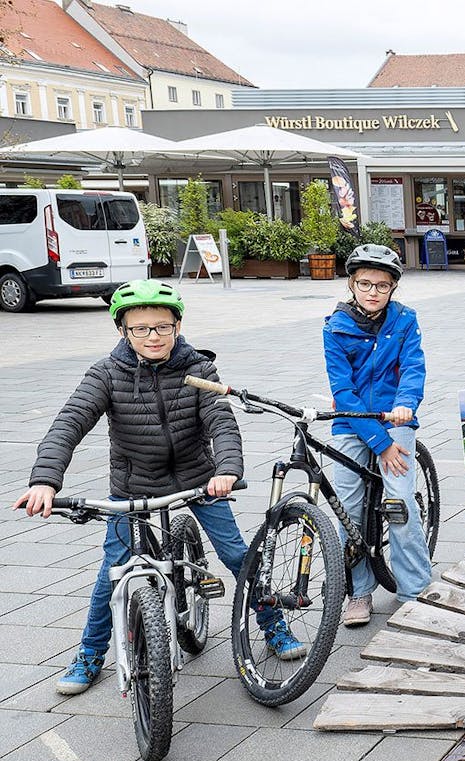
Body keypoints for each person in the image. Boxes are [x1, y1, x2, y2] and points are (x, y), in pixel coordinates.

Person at [14, 280, 305, 695]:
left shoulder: (199, 369)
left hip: (198, 481)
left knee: (237, 553)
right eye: (141, 328)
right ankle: (91, 653)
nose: (153, 337)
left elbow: (221, 422)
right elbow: (69, 422)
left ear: (178, 325)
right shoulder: (106, 374)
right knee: (113, 570)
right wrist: (45, 480)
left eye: (163, 327)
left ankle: (272, 623)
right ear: (122, 331)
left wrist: (226, 469)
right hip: (132, 486)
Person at [324, 244, 432, 627]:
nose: (373, 292)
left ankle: (415, 589)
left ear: (393, 289)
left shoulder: (405, 321)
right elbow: (344, 391)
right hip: (353, 420)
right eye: (365, 283)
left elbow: (413, 369)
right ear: (352, 284)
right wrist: (380, 444)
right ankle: (360, 591)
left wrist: (405, 406)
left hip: (394, 416)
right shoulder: (334, 326)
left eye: (382, 286)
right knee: (347, 508)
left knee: (400, 504)